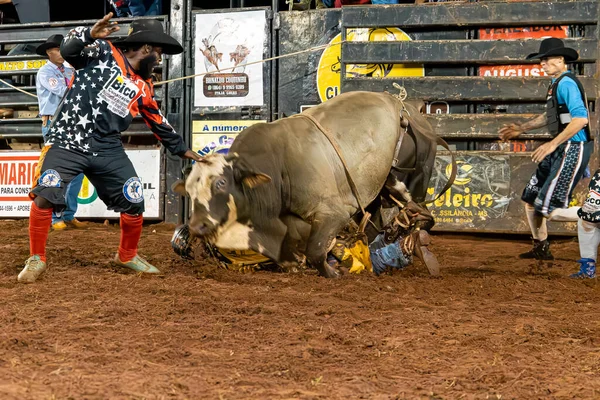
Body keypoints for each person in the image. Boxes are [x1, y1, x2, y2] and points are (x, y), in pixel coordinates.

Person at [18, 13, 201, 283]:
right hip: (68, 138)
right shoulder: (104, 51)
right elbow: (69, 49)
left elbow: (157, 121)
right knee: (46, 192)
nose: (160, 60)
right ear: (147, 49)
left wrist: (183, 149)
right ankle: (36, 258)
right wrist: (89, 34)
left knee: (134, 199)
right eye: (159, 53)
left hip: (107, 147)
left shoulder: (143, 86)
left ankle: (127, 255)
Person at [499, 38, 592, 262]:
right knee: (531, 200)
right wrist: (522, 128)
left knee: (549, 209)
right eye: (541, 60)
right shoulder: (557, 83)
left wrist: (552, 144)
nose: (542, 64)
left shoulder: (567, 83)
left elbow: (581, 120)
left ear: (561, 60)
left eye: (547, 59)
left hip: (571, 147)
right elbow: (550, 116)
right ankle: (541, 246)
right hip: (563, 147)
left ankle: (595, 214)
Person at [35, 34, 87, 231]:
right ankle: (55, 217)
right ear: (49, 52)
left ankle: (67, 214)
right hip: (55, 123)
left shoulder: (68, 69)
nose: (62, 52)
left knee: (77, 172)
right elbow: (66, 91)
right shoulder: (45, 72)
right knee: (57, 171)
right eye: (58, 49)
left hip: (72, 123)